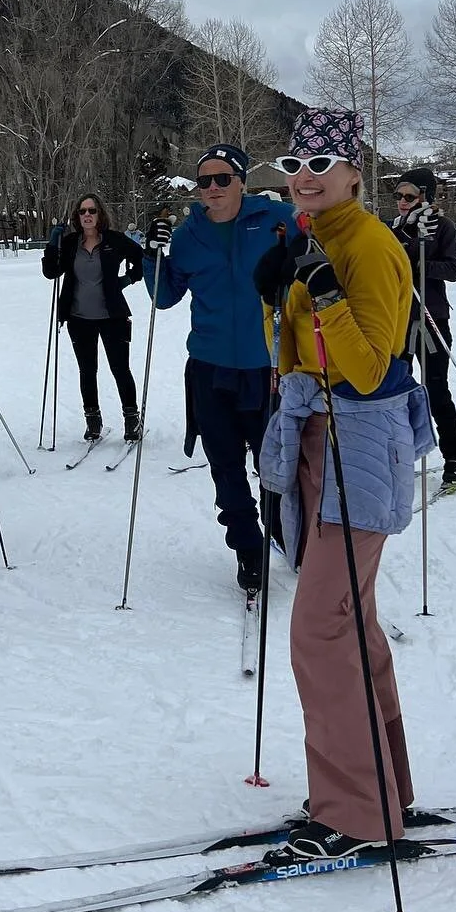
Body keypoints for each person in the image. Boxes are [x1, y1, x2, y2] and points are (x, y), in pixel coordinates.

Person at [253, 108, 434, 864]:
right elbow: (295, 353)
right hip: (318, 439)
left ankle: (357, 812)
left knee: (321, 630)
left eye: (321, 165)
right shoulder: (316, 239)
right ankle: (383, 786)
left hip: (356, 442)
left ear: (354, 173)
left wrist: (322, 290)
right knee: (350, 622)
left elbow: (366, 370)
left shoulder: (369, 247)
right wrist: (278, 293)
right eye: (297, 163)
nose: (305, 176)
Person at [143, 144, 297, 594]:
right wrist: (152, 256)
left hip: (268, 366)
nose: (212, 188)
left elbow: (324, 244)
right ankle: (247, 547)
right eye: (204, 180)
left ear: (242, 181)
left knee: (275, 460)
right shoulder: (188, 235)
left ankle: (281, 525)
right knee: (225, 464)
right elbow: (164, 296)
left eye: (222, 178)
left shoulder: (278, 220)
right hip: (210, 369)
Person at [41, 194, 146, 441]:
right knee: (87, 371)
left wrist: (128, 279)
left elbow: (141, 258)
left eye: (92, 210)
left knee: (120, 369)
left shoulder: (114, 240)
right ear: (77, 216)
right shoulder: (69, 243)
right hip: (79, 318)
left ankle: (131, 419)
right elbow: (51, 272)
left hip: (112, 317)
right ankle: (93, 419)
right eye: (82, 211)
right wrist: (52, 244)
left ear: (100, 214)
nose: (87, 215)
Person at [392, 168, 456, 485]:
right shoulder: (393, 228)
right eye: (398, 195)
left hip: (430, 318)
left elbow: (453, 269)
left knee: (435, 389)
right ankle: (397, 454)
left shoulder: (441, 227)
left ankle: (455, 456)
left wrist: (417, 263)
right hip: (397, 320)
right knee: (394, 389)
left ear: (425, 196)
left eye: (409, 196)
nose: (402, 201)